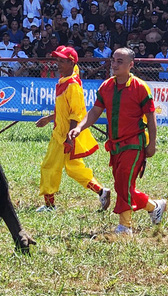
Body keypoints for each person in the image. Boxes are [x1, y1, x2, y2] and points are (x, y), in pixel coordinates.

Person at [69, 47, 167, 235]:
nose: (114, 64)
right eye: (113, 60)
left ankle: (125, 226)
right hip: (115, 145)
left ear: (131, 65)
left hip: (134, 143)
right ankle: (154, 206)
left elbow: (151, 118)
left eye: (119, 61)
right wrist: (79, 127)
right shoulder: (106, 86)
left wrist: (152, 144)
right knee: (122, 185)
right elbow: (94, 112)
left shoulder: (140, 87)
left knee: (123, 182)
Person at [35, 46, 110, 212]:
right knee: (74, 168)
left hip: (63, 137)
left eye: (62, 61)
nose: (58, 64)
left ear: (71, 63)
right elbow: (63, 111)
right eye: (57, 60)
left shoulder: (72, 85)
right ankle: (101, 191)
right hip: (61, 134)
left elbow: (75, 115)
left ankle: (49, 205)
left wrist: (69, 139)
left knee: (48, 166)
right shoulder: (64, 82)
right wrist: (49, 119)